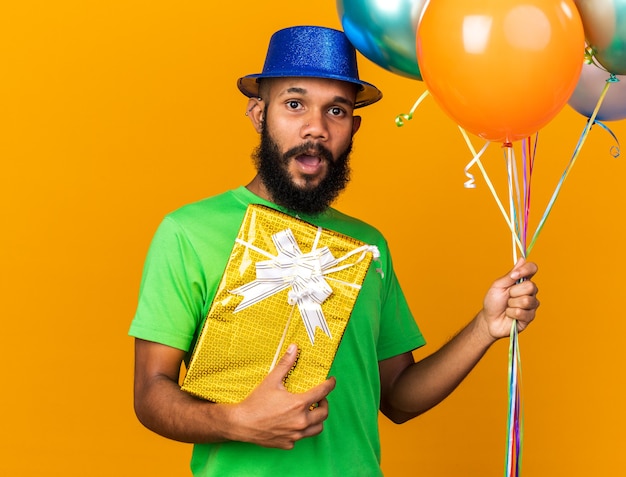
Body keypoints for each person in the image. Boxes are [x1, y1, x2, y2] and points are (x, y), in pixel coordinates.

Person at [129, 25, 540, 476]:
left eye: (337, 110)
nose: (316, 128)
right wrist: (236, 421)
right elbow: (151, 393)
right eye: (294, 104)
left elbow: (399, 398)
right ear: (258, 113)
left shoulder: (369, 246)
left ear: (353, 127)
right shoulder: (188, 232)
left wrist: (485, 326)